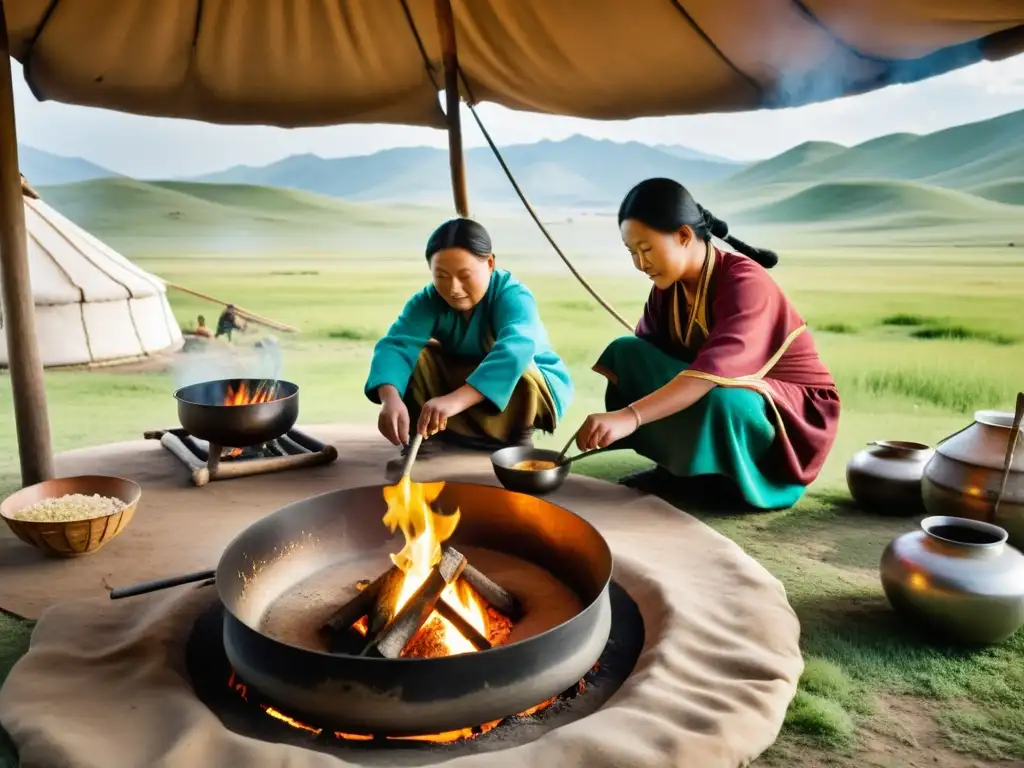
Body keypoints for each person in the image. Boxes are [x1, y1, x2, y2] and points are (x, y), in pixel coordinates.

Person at [575, 178, 840, 510]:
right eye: (632, 252)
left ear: (684, 236)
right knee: (627, 353)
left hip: (786, 414)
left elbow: (712, 373)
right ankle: (676, 469)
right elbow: (653, 361)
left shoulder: (745, 281)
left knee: (719, 396)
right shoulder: (666, 290)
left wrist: (631, 416)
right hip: (721, 388)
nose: (640, 264)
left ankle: (728, 481)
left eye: (646, 249)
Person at [365, 217, 573, 461]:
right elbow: (397, 345)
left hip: (526, 387)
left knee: (519, 362)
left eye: (465, 275)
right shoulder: (428, 300)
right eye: (441, 276)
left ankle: (517, 436)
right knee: (419, 355)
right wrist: (390, 398)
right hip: (463, 381)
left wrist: (454, 401)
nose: (453, 288)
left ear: (490, 263)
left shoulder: (512, 294)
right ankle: (428, 435)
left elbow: (517, 346)